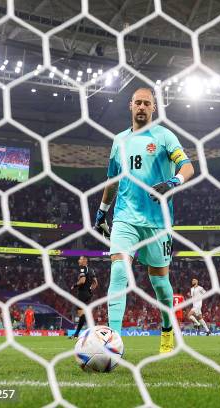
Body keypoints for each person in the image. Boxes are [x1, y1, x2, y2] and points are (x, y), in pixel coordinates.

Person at [94, 88, 194, 353]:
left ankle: (167, 329)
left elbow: (188, 167)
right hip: (124, 219)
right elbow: (112, 181)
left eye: (146, 103)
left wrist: (174, 181)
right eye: (137, 102)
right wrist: (103, 211)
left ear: (153, 108)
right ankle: (111, 341)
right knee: (118, 271)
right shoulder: (119, 141)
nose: (141, 107)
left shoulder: (164, 137)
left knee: (160, 284)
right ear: (130, 106)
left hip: (158, 223)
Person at [69, 256, 98, 339]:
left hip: (82, 294)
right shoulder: (91, 270)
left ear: (85, 261)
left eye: (80, 259)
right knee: (83, 313)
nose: (79, 260)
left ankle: (78, 334)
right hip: (88, 294)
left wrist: (74, 285)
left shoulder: (82, 268)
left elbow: (82, 280)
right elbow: (96, 283)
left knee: (81, 314)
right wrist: (90, 289)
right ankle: (76, 334)